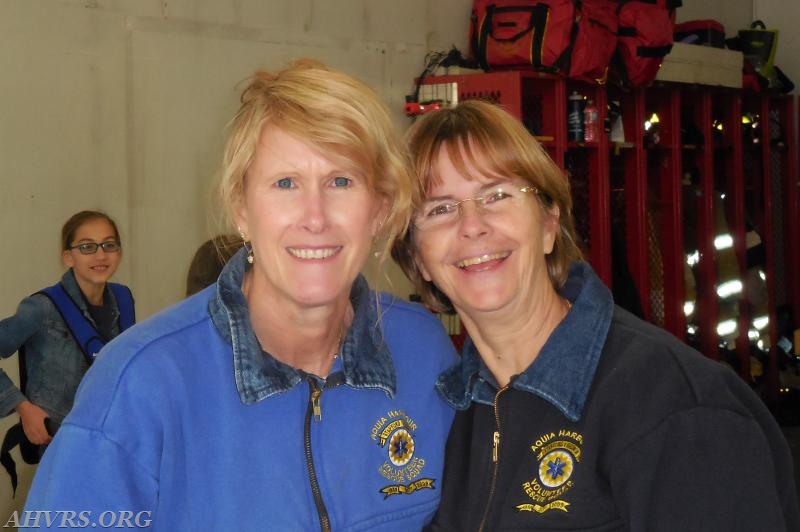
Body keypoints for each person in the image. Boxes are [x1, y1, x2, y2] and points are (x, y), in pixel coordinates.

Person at [22, 60, 457, 531]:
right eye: (285, 183)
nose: (315, 216)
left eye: (341, 181)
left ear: (380, 210)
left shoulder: (423, 354)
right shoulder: (141, 382)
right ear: (241, 210)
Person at [392, 100, 800, 531]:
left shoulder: (675, 405)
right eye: (440, 208)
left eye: (497, 195)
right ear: (418, 261)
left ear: (549, 224)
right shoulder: (456, 411)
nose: (472, 225)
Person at [0, 210, 134, 493]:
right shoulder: (41, 308)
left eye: (109, 245)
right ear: (68, 256)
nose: (100, 255)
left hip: (110, 442)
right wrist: (23, 408)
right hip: (58, 441)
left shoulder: (123, 299)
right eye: (87, 247)